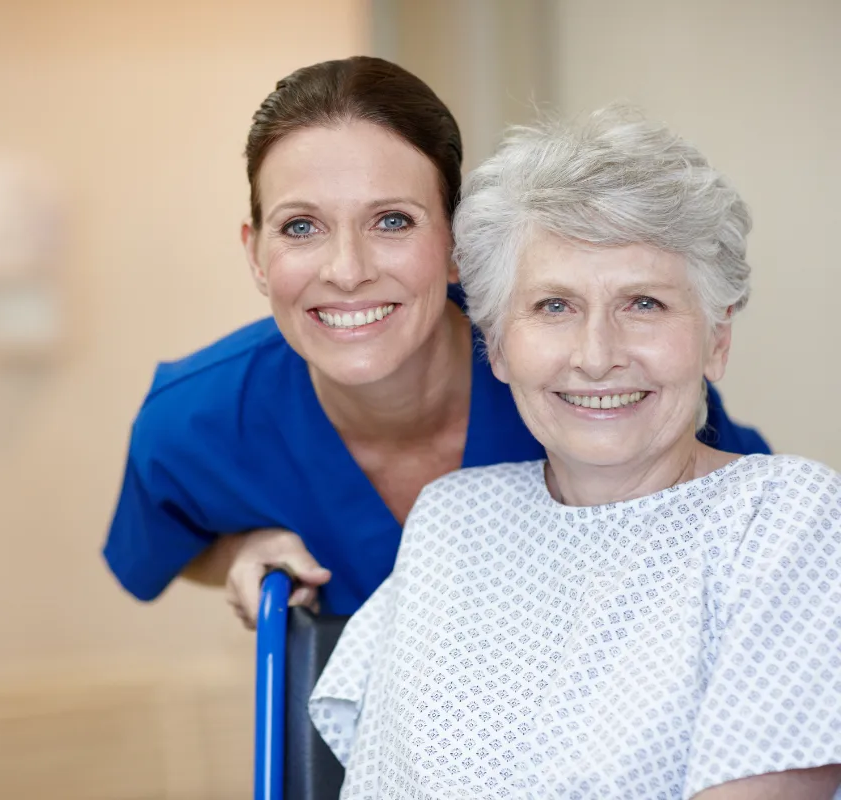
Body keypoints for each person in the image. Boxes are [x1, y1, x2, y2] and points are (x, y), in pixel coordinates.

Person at [101, 56, 770, 628]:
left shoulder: (576, 379)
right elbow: (169, 547)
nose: (347, 269)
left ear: (457, 243)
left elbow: (742, 517)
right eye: (300, 227)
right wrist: (244, 552)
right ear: (255, 254)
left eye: (392, 220)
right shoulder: (194, 422)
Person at [308, 105, 841, 799]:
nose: (597, 357)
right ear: (497, 345)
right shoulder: (451, 521)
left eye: (644, 303)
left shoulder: (784, 520)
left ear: (717, 338)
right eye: (553, 306)